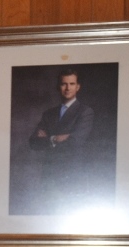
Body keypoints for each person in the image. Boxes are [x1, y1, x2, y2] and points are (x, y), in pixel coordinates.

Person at [28, 68, 94, 210]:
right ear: (59, 86)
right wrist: (55, 139)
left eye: (71, 84)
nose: (67, 88)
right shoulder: (49, 114)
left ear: (78, 87)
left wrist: (47, 139)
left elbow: (75, 142)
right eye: (64, 84)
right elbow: (33, 142)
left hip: (72, 176)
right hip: (49, 176)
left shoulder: (85, 112)